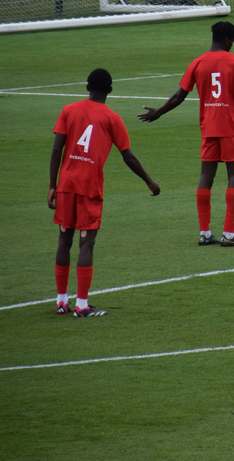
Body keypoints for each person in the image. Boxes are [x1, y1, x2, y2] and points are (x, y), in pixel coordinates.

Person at [52, 69, 160, 317]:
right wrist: (150, 182)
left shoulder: (69, 110)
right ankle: (81, 305)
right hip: (89, 187)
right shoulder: (112, 118)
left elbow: (56, 150)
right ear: (110, 90)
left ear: (87, 87)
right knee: (86, 243)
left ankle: (61, 301)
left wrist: (52, 186)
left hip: (66, 185)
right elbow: (128, 156)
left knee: (64, 240)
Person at [138, 21, 234, 247]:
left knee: (206, 177)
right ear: (226, 40)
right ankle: (229, 235)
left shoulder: (198, 63)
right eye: (232, 42)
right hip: (231, 128)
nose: (232, 46)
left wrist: (159, 112)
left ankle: (205, 233)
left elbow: (179, 95)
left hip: (209, 128)